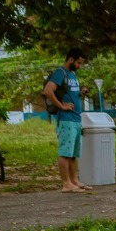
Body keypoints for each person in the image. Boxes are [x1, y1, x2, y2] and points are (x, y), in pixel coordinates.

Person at [43, 48, 90, 192]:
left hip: (76, 118)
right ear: (71, 59)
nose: (79, 66)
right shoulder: (60, 73)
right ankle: (66, 183)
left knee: (73, 153)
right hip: (66, 119)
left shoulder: (72, 75)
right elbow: (48, 91)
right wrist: (61, 106)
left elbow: (70, 93)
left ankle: (74, 180)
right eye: (78, 63)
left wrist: (80, 93)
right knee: (65, 152)